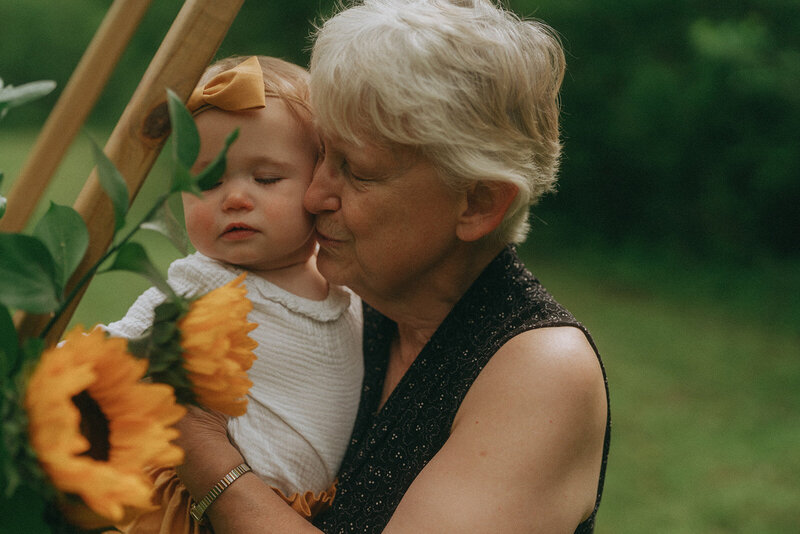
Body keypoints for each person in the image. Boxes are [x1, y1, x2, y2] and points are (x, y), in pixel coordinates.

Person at [174, 1, 610, 532]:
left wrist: (206, 459)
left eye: (356, 171)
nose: (313, 196)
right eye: (320, 158)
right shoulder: (343, 306)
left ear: (477, 203)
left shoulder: (542, 369)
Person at [105, 55, 364, 532]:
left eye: (265, 179)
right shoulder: (203, 283)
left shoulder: (350, 288)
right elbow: (119, 348)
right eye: (207, 181)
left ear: (320, 180)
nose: (235, 198)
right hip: (199, 510)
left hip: (296, 514)